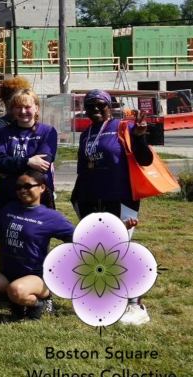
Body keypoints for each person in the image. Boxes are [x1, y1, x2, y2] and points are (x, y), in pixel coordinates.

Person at [72, 89, 155, 325]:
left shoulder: (124, 127)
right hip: (90, 199)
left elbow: (145, 159)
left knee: (121, 249)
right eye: (90, 105)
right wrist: (77, 198)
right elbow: (83, 169)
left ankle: (136, 305)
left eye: (101, 104)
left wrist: (139, 137)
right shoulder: (86, 133)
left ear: (111, 106)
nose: (96, 109)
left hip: (119, 199)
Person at [0, 171, 73, 318]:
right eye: (19, 187)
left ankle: (40, 302)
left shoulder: (51, 217)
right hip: (7, 275)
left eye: (28, 186)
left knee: (17, 290)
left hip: (36, 277)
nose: (22, 190)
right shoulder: (10, 209)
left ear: (42, 187)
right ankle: (12, 298)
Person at [0, 88, 57, 215]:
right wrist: (28, 162)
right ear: (12, 109)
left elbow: (42, 165)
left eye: (27, 107)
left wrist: (10, 167)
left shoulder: (47, 132)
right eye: (18, 107)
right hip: (8, 195)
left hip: (37, 197)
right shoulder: (2, 133)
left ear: (36, 108)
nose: (23, 111)